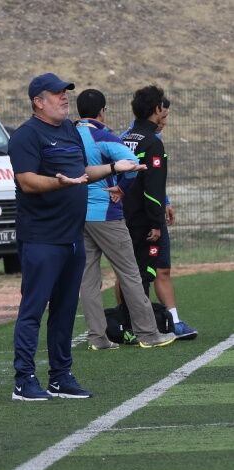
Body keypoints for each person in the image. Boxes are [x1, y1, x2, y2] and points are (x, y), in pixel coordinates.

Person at [8, 73, 145, 401]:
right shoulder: (26, 135)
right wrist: (59, 182)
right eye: (56, 93)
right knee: (33, 309)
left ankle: (60, 377)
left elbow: (83, 172)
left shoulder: (70, 130)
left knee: (66, 309)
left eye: (65, 92)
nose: (64, 97)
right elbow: (26, 181)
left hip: (73, 235)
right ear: (38, 102)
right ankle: (24, 380)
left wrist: (115, 168)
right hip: (42, 237)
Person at [75, 89, 175, 350]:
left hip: (78, 214)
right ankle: (148, 333)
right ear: (102, 111)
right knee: (130, 273)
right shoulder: (103, 135)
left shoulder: (69, 134)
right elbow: (131, 163)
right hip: (106, 213)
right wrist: (122, 187)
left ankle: (98, 338)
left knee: (89, 279)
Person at [120, 98, 198, 339]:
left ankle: (173, 321)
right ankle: (130, 323)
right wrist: (156, 218)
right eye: (163, 115)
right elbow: (142, 183)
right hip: (141, 218)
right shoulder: (138, 140)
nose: (165, 121)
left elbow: (153, 181)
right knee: (131, 272)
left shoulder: (147, 138)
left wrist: (166, 201)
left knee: (160, 268)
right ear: (154, 111)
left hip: (151, 213)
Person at [120, 85, 170, 325]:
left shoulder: (124, 138)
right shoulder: (152, 143)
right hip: (142, 220)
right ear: (158, 108)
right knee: (144, 271)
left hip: (122, 215)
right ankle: (141, 327)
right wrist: (156, 223)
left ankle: (127, 323)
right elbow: (153, 190)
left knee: (127, 272)